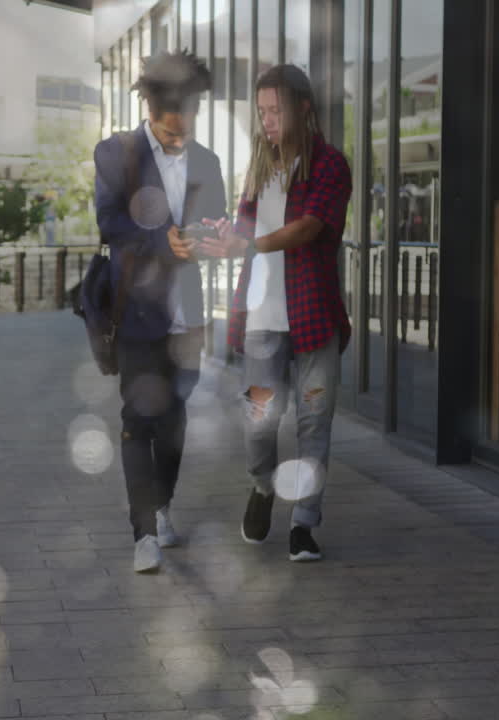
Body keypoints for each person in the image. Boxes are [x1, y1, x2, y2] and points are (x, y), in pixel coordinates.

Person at [197, 64, 353, 562]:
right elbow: (244, 224)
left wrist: (248, 246)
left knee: (314, 424)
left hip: (313, 319)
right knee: (259, 422)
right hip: (262, 320)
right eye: (261, 111)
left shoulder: (330, 165)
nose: (266, 120)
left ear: (303, 108)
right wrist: (228, 235)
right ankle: (263, 487)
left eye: (275, 110)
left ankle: (304, 525)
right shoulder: (258, 167)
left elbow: (309, 228)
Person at [93, 50, 226, 573]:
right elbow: (109, 223)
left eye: (190, 122)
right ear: (150, 109)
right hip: (137, 310)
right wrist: (159, 239)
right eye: (173, 129)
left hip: (188, 314)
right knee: (137, 418)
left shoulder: (209, 162)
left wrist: (218, 238)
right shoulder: (117, 154)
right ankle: (142, 532)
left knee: (174, 419)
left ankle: (164, 506)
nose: (183, 133)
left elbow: (216, 221)